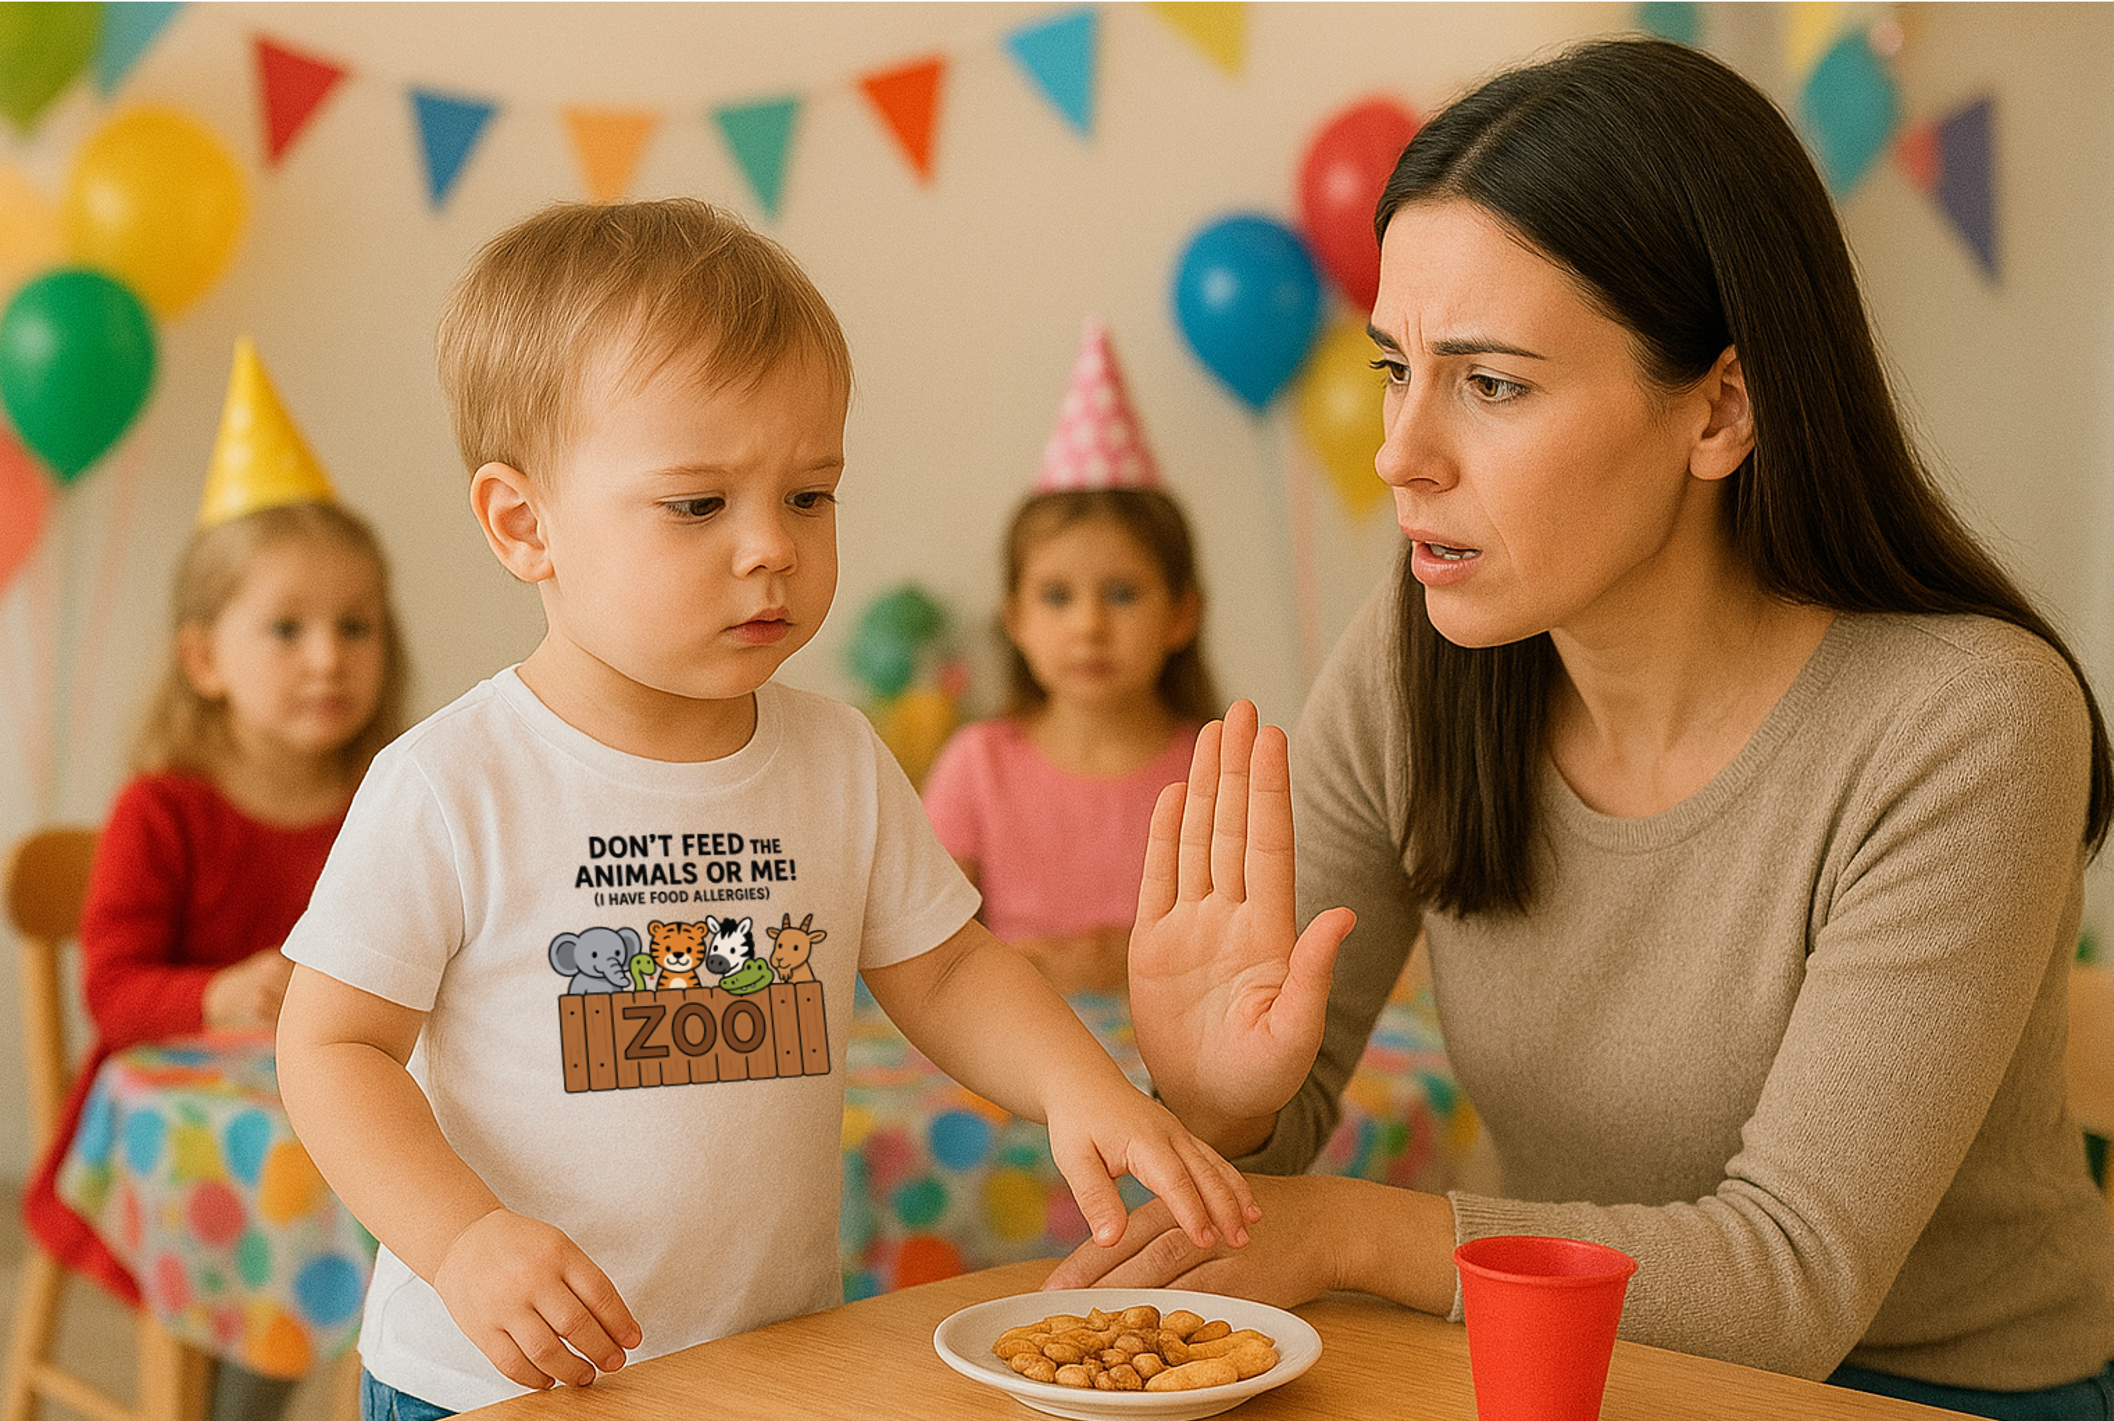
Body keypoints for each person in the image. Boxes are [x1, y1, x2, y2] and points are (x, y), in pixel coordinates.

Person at [1047, 37, 2114, 1421]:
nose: (1397, 453)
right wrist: (1213, 1097)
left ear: (1720, 408)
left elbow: (1790, 1279)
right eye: (1393, 367)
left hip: (1925, 1391)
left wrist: (1354, 1227)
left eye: (1490, 384)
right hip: (1563, 1362)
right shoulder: (1420, 653)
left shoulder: (1964, 721)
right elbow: (1258, 1132)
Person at [272, 198, 1258, 1418]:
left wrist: (1081, 1085)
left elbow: (946, 970)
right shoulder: (452, 782)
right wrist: (463, 1236)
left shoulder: (836, 759)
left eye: (808, 495)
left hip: (764, 1366)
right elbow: (329, 1046)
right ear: (524, 524)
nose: (771, 549)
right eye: (699, 504)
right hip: (495, 1382)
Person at [22, 338, 408, 1421]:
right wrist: (218, 994)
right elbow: (113, 993)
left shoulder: (396, 794)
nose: (328, 656)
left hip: (337, 1117)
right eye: (286, 628)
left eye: (355, 625)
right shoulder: (165, 808)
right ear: (205, 658)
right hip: (192, 1153)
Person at [922, 318, 1219, 996]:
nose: (1089, 624)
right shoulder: (978, 765)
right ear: (1015, 618)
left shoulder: (1216, 774)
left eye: (1121, 592)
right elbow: (924, 944)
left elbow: (1250, 945)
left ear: (1181, 613)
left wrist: (1122, 962)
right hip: (1008, 1064)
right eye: (1057, 596)